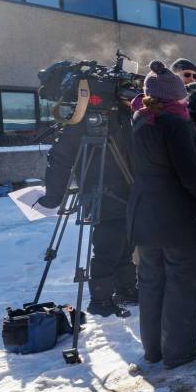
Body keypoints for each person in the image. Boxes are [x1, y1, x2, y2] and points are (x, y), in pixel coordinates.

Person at [127, 61, 196, 368]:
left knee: (152, 284)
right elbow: (192, 176)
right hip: (178, 219)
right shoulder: (175, 124)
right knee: (181, 284)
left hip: (145, 217)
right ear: (175, 96)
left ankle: (154, 349)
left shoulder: (140, 120)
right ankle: (178, 351)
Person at [39, 94, 136, 317]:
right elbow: (61, 158)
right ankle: (100, 300)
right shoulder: (82, 122)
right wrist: (53, 196)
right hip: (103, 194)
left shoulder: (121, 117)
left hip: (127, 193)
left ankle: (126, 289)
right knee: (107, 247)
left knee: (125, 245)